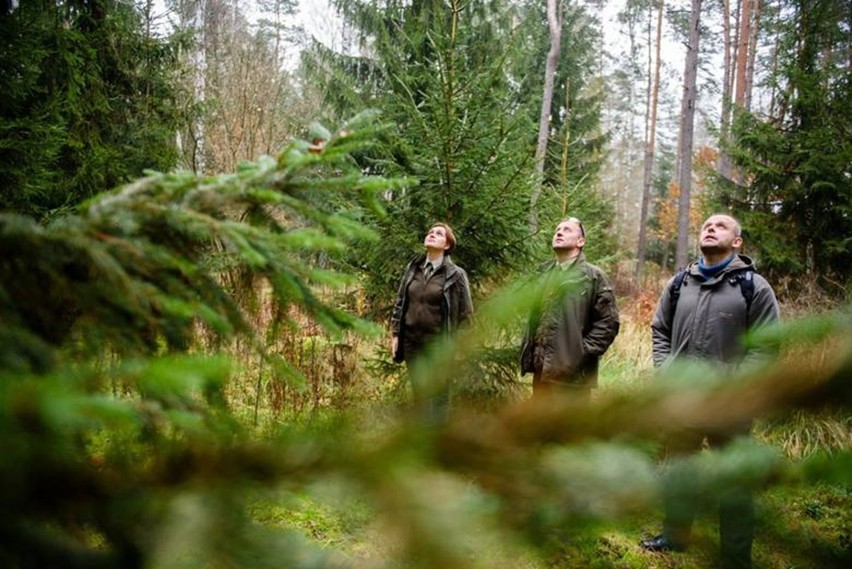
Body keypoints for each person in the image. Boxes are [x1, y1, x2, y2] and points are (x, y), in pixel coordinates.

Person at [641, 213, 781, 569]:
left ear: (737, 242)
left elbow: (767, 346)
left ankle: (735, 556)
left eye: (720, 226)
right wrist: (666, 369)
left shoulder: (753, 287)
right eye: (706, 225)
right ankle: (675, 536)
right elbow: (660, 329)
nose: (710, 228)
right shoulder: (679, 283)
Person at [519, 217, 620, 402]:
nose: (558, 232)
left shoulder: (593, 277)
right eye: (557, 229)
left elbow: (609, 323)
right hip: (541, 374)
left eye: (567, 230)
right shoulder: (543, 273)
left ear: (580, 242)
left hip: (574, 380)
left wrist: (580, 351)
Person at [391, 222, 473, 422]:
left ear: (447, 245)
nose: (432, 235)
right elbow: (401, 302)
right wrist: (395, 335)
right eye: (430, 232)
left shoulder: (456, 275)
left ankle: (437, 441)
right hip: (411, 342)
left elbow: (466, 314)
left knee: (438, 396)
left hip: (439, 344)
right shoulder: (413, 268)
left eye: (438, 233)